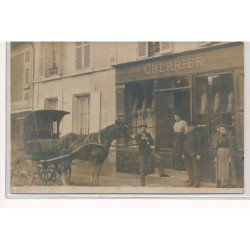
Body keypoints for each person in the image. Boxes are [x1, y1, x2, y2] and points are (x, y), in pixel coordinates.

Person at [182, 122, 202, 187]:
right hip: (187, 154)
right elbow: (184, 144)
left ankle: (197, 183)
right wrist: (183, 153)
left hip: (194, 154)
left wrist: (199, 154)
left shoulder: (197, 134)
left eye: (191, 127)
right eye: (188, 127)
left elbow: (200, 145)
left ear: (194, 127)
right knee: (189, 169)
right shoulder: (187, 134)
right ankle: (191, 181)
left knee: (196, 169)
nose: (189, 128)